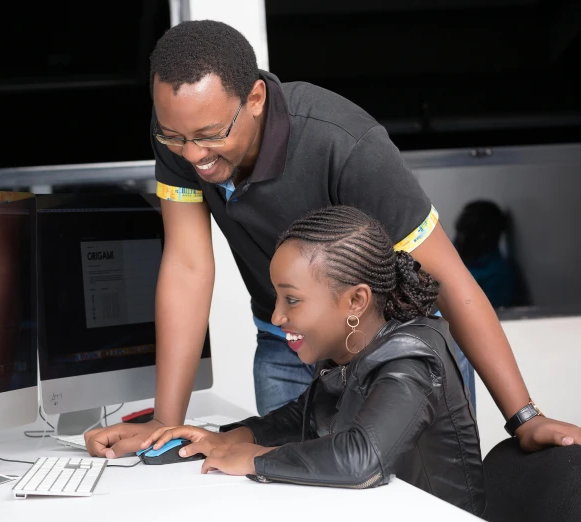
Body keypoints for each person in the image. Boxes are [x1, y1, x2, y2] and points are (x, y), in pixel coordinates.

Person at [84, 20, 580, 458]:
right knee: (294, 494)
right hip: (287, 341)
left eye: (211, 135)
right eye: (175, 137)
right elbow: (188, 268)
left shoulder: (345, 144)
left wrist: (524, 418)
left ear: (255, 99)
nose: (193, 155)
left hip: (389, 347)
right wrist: (165, 424)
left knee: (416, 502)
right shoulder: (182, 126)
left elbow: (451, 280)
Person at [139, 207, 485, 516]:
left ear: (355, 300)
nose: (276, 317)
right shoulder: (347, 348)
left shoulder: (412, 358)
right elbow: (303, 414)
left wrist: (257, 459)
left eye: (292, 299)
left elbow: (363, 460)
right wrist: (227, 438)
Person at [453, 200, 523, 309]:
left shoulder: (499, 274)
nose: (459, 239)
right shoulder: (458, 255)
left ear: (485, 236)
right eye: (459, 231)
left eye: (466, 233)